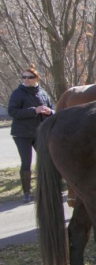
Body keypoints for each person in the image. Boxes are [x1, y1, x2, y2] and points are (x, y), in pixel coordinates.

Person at [8, 65, 55, 203]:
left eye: (30, 77)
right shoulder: (18, 93)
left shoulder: (42, 93)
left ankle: (47, 188)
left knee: (46, 160)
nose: (26, 79)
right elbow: (13, 111)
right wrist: (34, 110)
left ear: (37, 78)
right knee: (26, 161)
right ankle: (27, 193)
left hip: (39, 132)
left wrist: (49, 112)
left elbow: (51, 109)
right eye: (24, 77)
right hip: (21, 134)